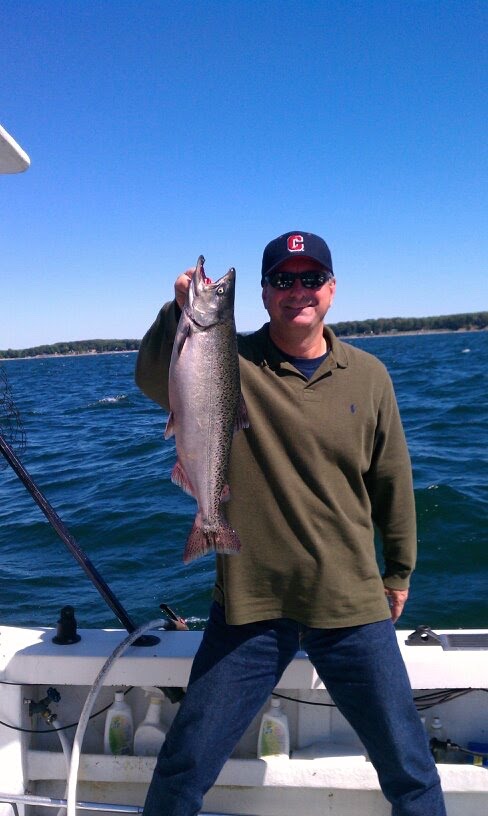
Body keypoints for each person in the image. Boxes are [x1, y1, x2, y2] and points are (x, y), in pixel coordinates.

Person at [135, 231, 446, 816]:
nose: (296, 291)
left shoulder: (370, 375)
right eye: (283, 279)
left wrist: (399, 570)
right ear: (263, 293)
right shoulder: (226, 357)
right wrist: (177, 310)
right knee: (183, 765)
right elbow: (156, 381)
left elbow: (391, 480)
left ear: (331, 289)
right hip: (251, 603)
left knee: (409, 767)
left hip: (350, 602)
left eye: (309, 279)